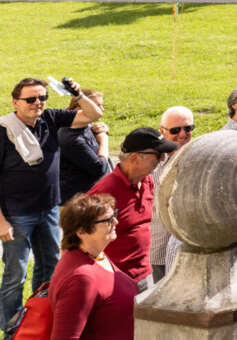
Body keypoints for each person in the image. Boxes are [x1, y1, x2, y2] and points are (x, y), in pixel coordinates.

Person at [0, 76, 104, 330]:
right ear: (15, 102)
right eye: (31, 99)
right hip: (16, 215)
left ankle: (39, 318)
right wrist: (1, 221)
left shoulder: (51, 118)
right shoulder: (3, 131)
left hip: (48, 209)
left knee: (50, 268)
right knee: (16, 275)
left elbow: (94, 114)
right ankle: (12, 328)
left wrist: (76, 94)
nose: (38, 102)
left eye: (42, 97)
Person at [86, 127, 177, 290]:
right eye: (157, 154)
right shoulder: (103, 194)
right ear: (134, 158)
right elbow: (81, 241)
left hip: (145, 275)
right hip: (114, 281)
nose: (162, 159)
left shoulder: (147, 181)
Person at [46, 192, 138, 340]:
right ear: (82, 232)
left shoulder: (95, 255)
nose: (116, 222)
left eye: (114, 214)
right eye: (107, 220)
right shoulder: (81, 279)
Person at [148, 106, 194, 282]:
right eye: (175, 130)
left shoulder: (200, 155)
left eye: (188, 128)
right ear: (162, 131)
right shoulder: (152, 160)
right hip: (158, 245)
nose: (183, 135)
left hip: (189, 247)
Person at [58, 89, 110, 204]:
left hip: (91, 198)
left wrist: (101, 130)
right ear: (79, 111)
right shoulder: (72, 139)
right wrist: (103, 139)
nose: (101, 110)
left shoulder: (84, 124)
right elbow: (99, 168)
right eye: (97, 106)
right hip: (78, 205)